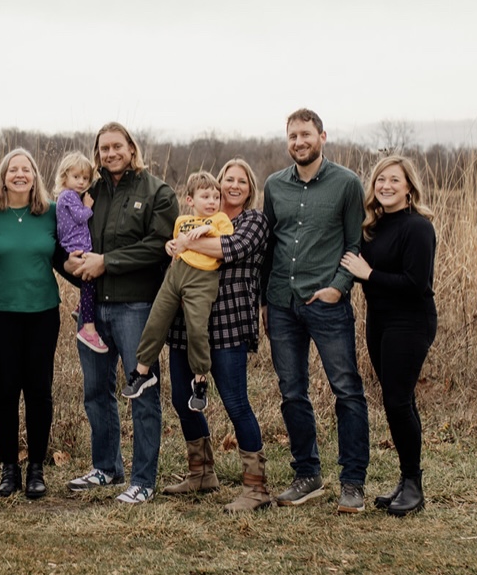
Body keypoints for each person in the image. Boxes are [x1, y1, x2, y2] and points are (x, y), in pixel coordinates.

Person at [261, 108, 370, 513]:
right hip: (282, 303)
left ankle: (353, 483)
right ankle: (307, 475)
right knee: (292, 393)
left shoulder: (346, 184)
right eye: (292, 136)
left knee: (347, 390)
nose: (298, 142)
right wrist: (264, 302)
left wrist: (338, 290)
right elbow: (268, 247)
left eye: (306, 134)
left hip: (326, 304)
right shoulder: (274, 186)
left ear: (322, 136)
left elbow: (355, 243)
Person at [65, 122, 178, 504]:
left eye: (117, 146)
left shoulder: (157, 192)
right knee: (96, 391)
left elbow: (160, 246)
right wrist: (70, 264)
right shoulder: (90, 193)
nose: (110, 154)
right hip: (92, 309)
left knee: (142, 392)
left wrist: (107, 262)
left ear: (131, 148)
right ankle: (106, 468)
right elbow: (69, 236)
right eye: (103, 149)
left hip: (137, 308)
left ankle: (143, 479)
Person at [163, 159, 276, 512]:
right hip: (189, 324)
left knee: (235, 402)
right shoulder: (199, 218)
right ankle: (201, 472)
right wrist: (180, 242)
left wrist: (184, 243)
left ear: (250, 188)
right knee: (182, 398)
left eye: (242, 181)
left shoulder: (252, 222)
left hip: (229, 322)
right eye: (229, 179)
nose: (234, 185)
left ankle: (256, 488)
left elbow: (228, 250)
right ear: (217, 183)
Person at [340, 155, 437, 516]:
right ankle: (406, 481)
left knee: (398, 402)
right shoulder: (374, 228)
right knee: (398, 401)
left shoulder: (418, 228)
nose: (386, 186)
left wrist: (369, 274)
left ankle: (414, 485)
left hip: (411, 322)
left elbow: (416, 285)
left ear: (409, 186)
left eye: (394, 180)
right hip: (380, 322)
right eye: (381, 180)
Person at [0, 148, 61, 500]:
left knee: (39, 391)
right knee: (5, 391)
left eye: (27, 169)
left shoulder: (52, 214)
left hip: (42, 313)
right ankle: (9, 468)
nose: (20, 174)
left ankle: (36, 469)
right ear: (4, 176)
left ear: (36, 176)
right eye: (14, 169)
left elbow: (69, 257)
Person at [123, 171, 233, 412]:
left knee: (196, 328)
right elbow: (175, 246)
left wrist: (205, 230)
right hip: (175, 275)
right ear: (190, 200)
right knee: (156, 321)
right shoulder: (181, 221)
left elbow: (226, 238)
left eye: (216, 196)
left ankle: (201, 379)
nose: (212, 201)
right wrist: (169, 245)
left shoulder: (220, 219)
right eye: (206, 196)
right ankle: (142, 371)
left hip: (201, 279)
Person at [54, 151, 107, 354]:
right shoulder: (68, 196)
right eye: (76, 177)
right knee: (90, 279)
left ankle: (81, 307)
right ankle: (88, 328)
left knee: (90, 283)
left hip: (76, 242)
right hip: (76, 245)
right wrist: (88, 206)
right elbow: (80, 217)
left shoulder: (69, 195)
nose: (82, 182)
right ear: (64, 176)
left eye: (86, 178)